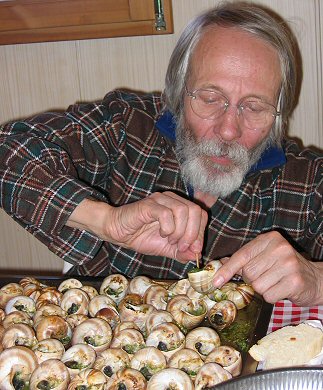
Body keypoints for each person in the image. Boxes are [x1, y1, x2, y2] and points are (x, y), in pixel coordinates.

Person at [0, 1, 322, 307]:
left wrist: (317, 280)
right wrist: (107, 221)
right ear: (178, 93)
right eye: (210, 98)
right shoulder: (126, 128)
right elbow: (8, 152)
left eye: (254, 107)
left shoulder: (307, 184)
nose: (228, 130)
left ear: (279, 113)